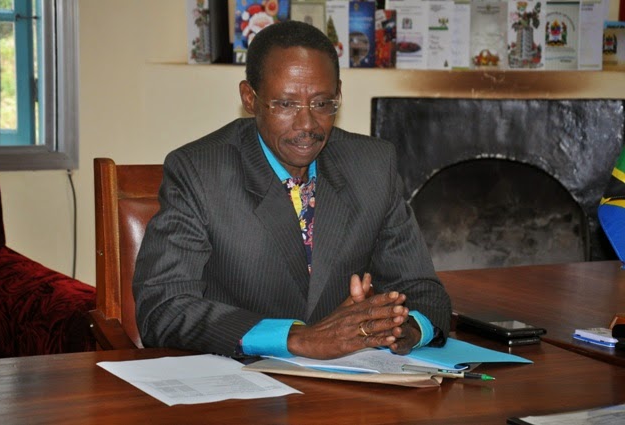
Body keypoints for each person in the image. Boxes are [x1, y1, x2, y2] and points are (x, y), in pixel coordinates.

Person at [133, 20, 451, 360]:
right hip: (238, 378)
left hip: (349, 379)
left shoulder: (372, 166)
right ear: (250, 98)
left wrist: (403, 327)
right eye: (285, 104)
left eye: (322, 103)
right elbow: (163, 307)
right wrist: (298, 338)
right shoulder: (199, 172)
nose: (307, 124)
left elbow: (423, 290)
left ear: (338, 94)